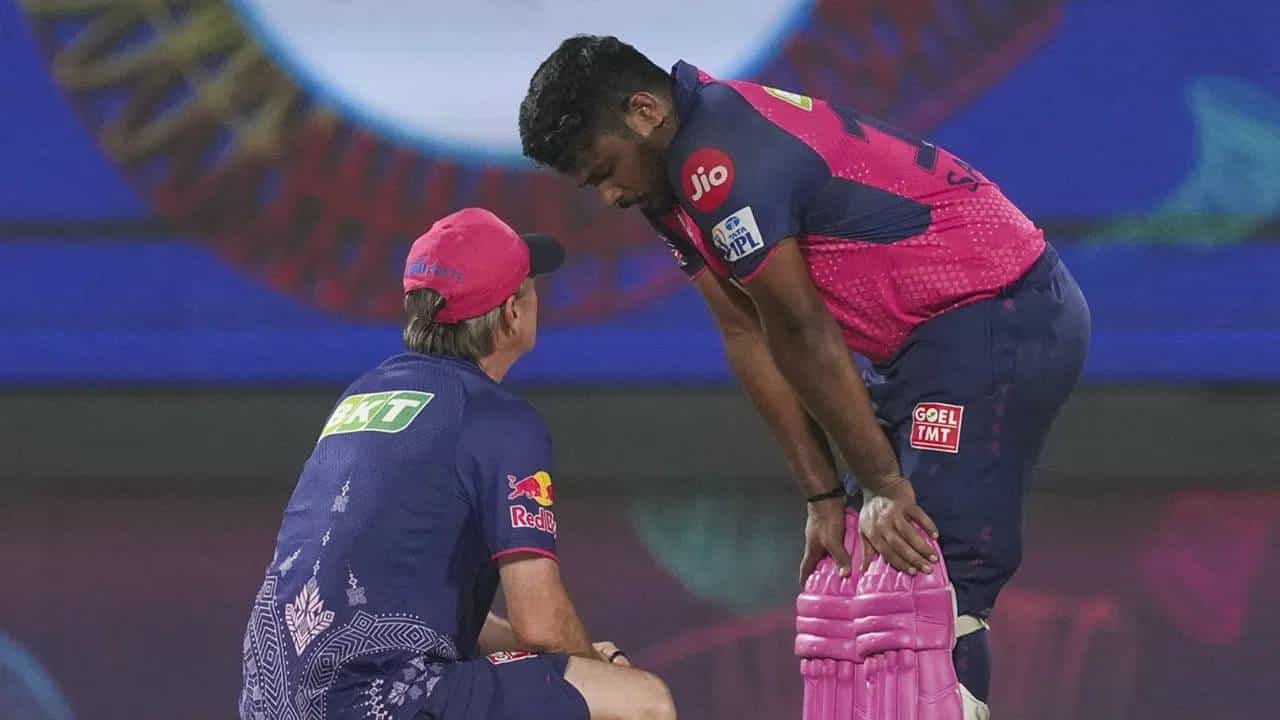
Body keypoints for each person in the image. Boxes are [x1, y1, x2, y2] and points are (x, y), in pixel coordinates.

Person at [519, 36, 1090, 715]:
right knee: (849, 581)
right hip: (923, 346)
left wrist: (882, 483)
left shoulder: (719, 156)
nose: (610, 193)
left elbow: (801, 328)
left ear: (644, 110)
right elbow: (748, 332)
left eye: (605, 170)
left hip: (1000, 311)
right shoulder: (668, 181)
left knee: (926, 577)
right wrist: (822, 494)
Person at [238, 207, 676, 720]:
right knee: (642, 702)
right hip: (374, 699)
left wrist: (576, 661)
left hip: (273, 700)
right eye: (531, 286)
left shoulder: (360, 397)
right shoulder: (497, 419)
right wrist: (596, 665)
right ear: (512, 313)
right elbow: (540, 624)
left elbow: (400, 610)